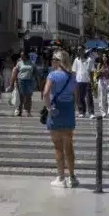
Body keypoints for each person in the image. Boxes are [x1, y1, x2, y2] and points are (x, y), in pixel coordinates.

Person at [43, 50, 80, 187]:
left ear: (58, 61)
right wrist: (74, 107)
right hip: (68, 110)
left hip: (56, 111)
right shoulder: (72, 76)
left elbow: (46, 93)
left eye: (53, 59)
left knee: (58, 146)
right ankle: (72, 177)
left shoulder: (52, 75)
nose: (51, 61)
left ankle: (61, 178)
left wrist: (48, 107)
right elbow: (76, 95)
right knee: (69, 146)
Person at [73, 46, 96, 118]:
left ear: (84, 50)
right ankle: (81, 111)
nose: (79, 51)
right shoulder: (76, 60)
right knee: (80, 97)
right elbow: (74, 71)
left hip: (87, 81)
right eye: (78, 50)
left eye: (81, 50)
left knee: (89, 97)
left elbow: (92, 71)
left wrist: (92, 82)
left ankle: (91, 112)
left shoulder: (89, 60)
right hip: (79, 80)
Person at [96, 52, 109, 117]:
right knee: (102, 96)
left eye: (105, 56)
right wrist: (100, 70)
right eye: (103, 56)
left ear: (107, 58)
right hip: (102, 81)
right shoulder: (99, 64)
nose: (104, 58)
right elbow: (96, 74)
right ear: (102, 58)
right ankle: (103, 112)